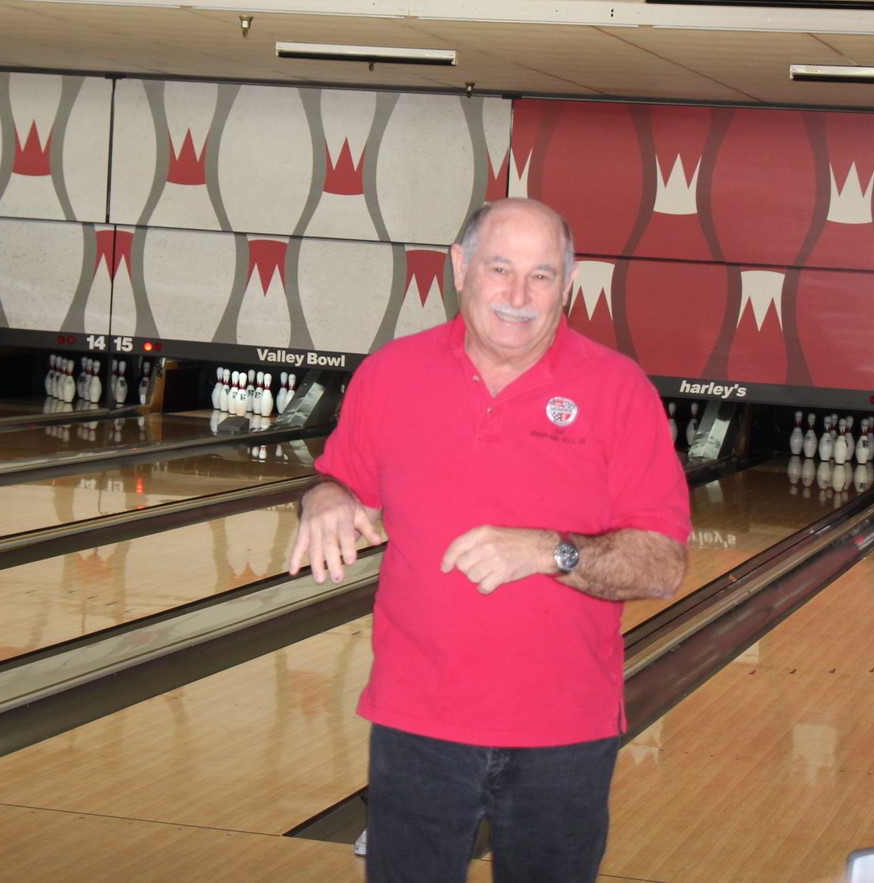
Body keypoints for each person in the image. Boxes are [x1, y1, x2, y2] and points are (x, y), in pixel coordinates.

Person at [289, 198, 692, 883]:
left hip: (564, 733)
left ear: (569, 283)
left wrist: (549, 550)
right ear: (460, 267)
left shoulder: (618, 390)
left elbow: (664, 563)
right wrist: (324, 498)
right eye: (500, 268)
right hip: (417, 723)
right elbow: (338, 480)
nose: (517, 295)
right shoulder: (391, 374)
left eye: (541, 275)